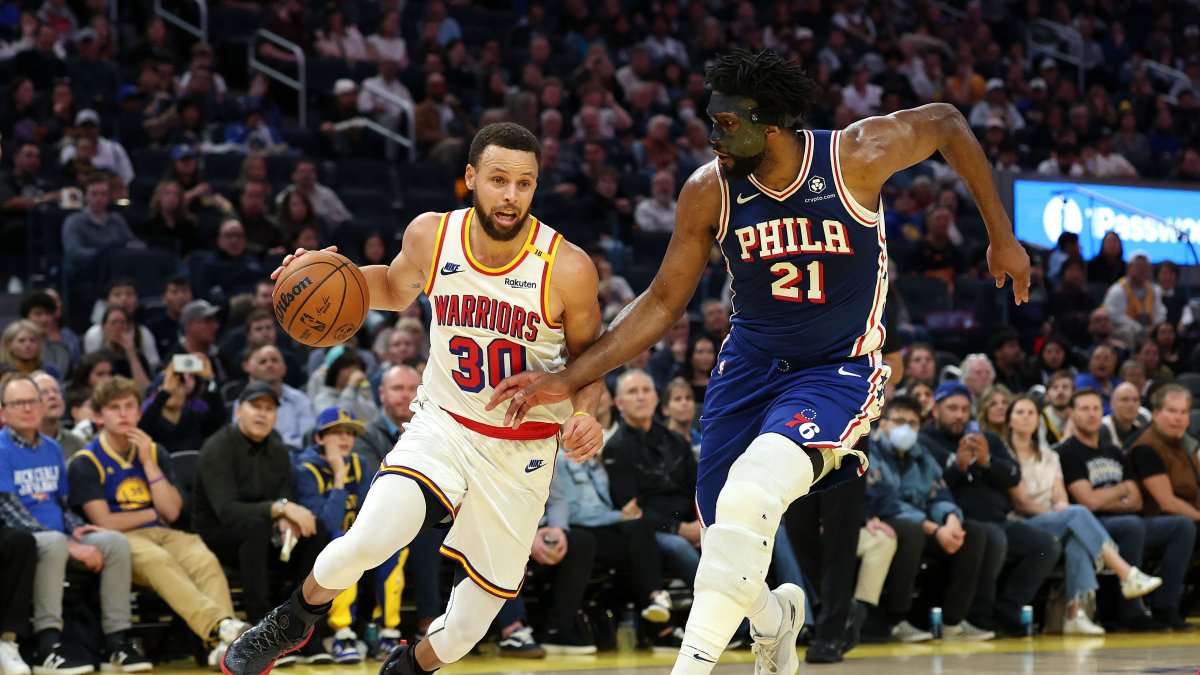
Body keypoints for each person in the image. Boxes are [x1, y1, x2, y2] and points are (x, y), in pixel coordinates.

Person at [488, 49, 1031, 674]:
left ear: (769, 127)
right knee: (725, 540)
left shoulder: (854, 155)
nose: (711, 135)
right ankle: (776, 621)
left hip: (837, 370)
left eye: (725, 124)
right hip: (746, 370)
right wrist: (568, 376)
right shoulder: (708, 189)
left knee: (752, 496)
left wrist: (1001, 235)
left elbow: (945, 122)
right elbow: (664, 300)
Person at [222, 122, 605, 675]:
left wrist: (586, 416)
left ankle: (406, 667)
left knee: (467, 629)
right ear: (471, 178)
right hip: (443, 425)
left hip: (522, 451)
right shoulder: (432, 235)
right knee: (374, 535)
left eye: (525, 183)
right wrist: (320, 281)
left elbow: (590, 364)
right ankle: (293, 618)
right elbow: (391, 288)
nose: (511, 196)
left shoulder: (567, 267)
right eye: (498, 180)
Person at [67, 376, 248, 667]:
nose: (124, 414)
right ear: (99, 416)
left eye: (129, 406)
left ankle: (221, 648)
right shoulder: (85, 461)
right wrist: (152, 513)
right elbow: (105, 521)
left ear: (140, 412)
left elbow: (172, 511)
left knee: (203, 560)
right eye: (115, 408)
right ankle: (221, 627)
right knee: (158, 560)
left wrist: (149, 464)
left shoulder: (153, 451)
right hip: (121, 541)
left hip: (163, 532)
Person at [0, 376, 148, 673]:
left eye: (33, 401)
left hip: (62, 534)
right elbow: (8, 511)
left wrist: (77, 528)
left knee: (114, 542)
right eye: (18, 403)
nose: (27, 408)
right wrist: (66, 541)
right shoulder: (1, 449)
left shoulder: (53, 448)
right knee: (54, 544)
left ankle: (116, 642)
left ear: (43, 406)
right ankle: (48, 645)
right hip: (29, 540)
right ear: (3, 411)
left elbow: (63, 503)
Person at [1005, 394, 1162, 635]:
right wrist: (1057, 512)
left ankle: (1075, 614)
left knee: (1076, 534)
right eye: (1020, 413)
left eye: (1031, 413)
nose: (1026, 418)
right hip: (1021, 522)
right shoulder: (1005, 454)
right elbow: (1021, 502)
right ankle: (1125, 573)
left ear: (1039, 420)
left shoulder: (1050, 456)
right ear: (1010, 421)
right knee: (1076, 514)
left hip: (1054, 520)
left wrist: (1060, 509)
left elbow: (1060, 497)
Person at [1057, 388, 1196, 631]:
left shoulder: (1112, 450)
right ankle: (1130, 612)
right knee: (1131, 525)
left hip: (1128, 520)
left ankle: (1167, 606)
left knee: (1181, 526)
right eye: (1084, 409)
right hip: (1094, 527)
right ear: (1071, 413)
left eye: (1096, 409)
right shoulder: (1067, 452)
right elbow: (1089, 502)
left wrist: (1111, 497)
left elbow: (1137, 500)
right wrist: (1120, 492)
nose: (1091, 415)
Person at [291, 407, 375, 664]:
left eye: (350, 433)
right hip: (315, 547)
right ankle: (341, 633)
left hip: (354, 542)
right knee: (341, 542)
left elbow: (368, 515)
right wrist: (339, 475)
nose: (345, 439)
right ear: (319, 438)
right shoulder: (305, 468)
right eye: (336, 432)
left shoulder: (360, 465)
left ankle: (382, 631)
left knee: (393, 550)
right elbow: (325, 525)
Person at [1129, 384, 1200, 521]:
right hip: (1163, 522)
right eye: (1172, 411)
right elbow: (1167, 503)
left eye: (1183, 412)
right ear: (1155, 414)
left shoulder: (1185, 443)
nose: (1178, 418)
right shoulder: (1146, 448)